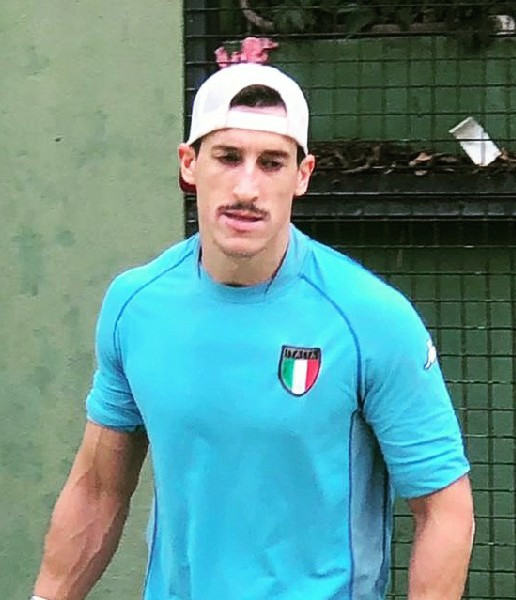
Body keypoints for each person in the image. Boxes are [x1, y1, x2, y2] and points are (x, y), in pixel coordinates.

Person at [32, 63, 474, 600]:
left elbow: (445, 509)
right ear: (189, 164)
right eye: (227, 157)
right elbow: (99, 489)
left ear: (303, 175)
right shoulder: (135, 304)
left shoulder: (373, 320)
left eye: (271, 163)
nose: (247, 187)